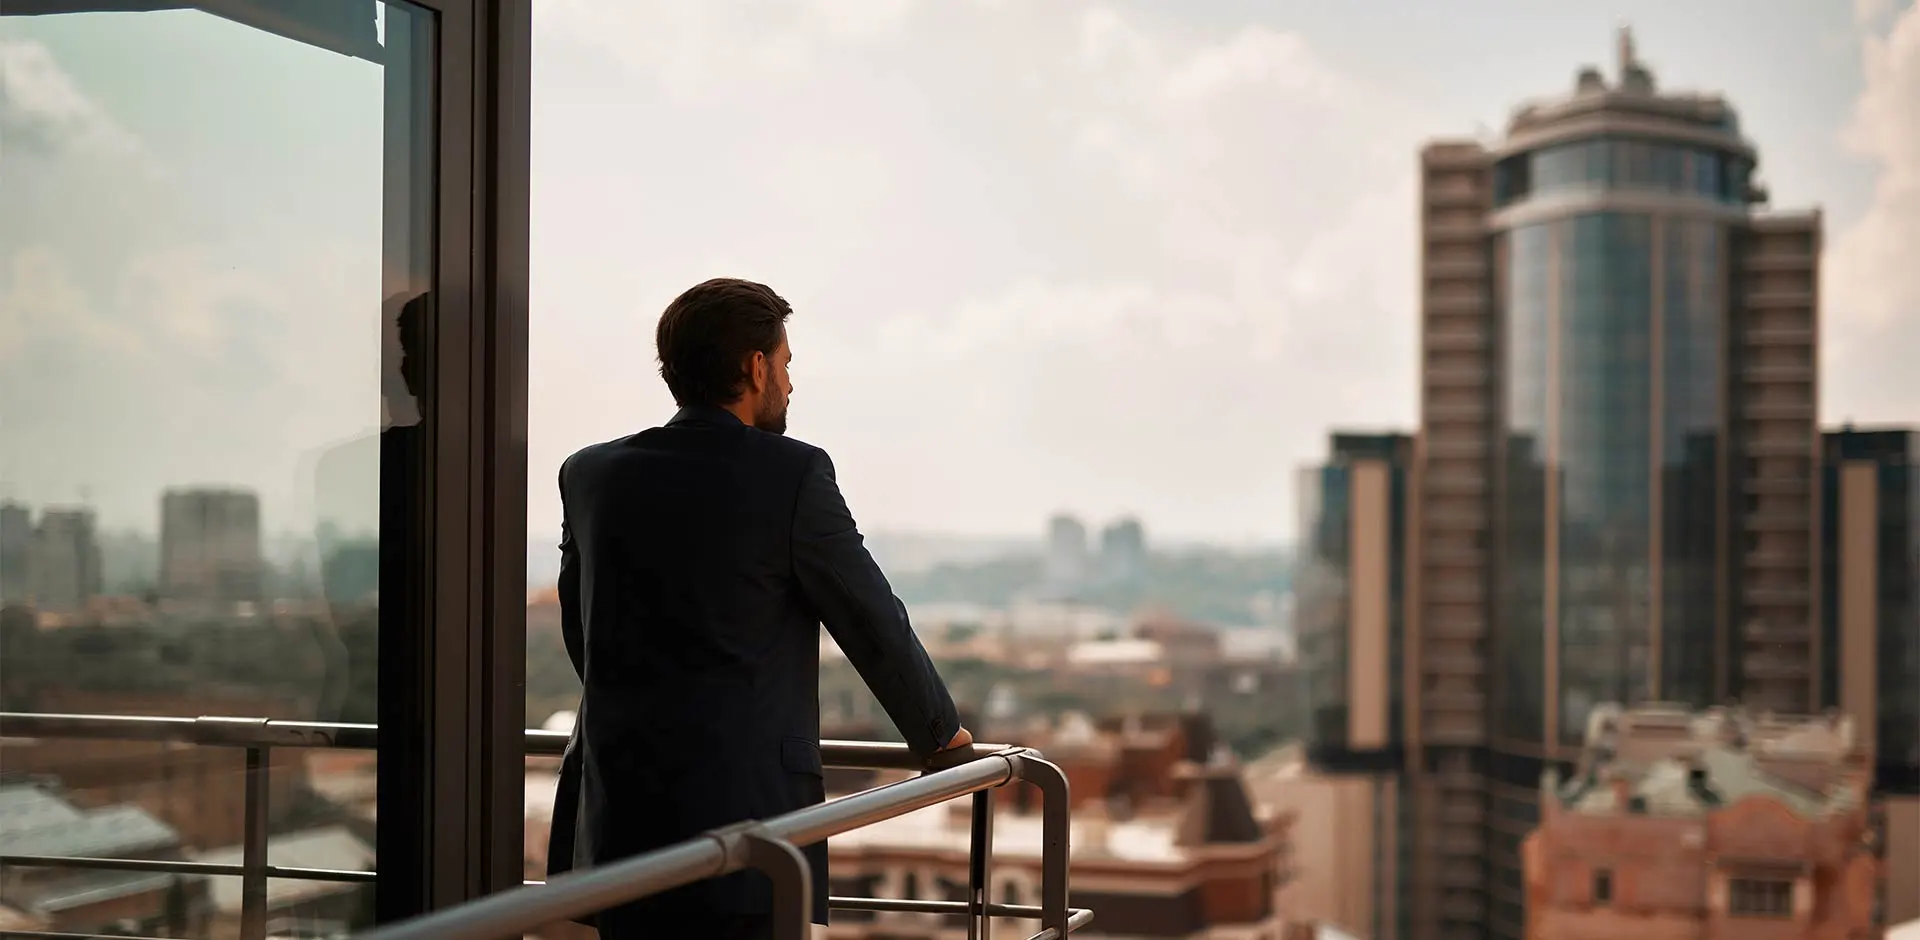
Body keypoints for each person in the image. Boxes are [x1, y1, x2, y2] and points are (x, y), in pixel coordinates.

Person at [544, 278, 971, 939]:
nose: (792, 385)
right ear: (755, 366)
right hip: (747, 823)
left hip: (618, 818)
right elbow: (868, 615)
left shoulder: (590, 474)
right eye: (788, 364)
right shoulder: (793, 474)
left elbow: (584, 632)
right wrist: (940, 733)